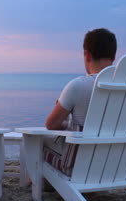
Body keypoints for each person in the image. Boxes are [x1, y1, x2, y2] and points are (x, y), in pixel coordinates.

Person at [43, 28, 117, 176]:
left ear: (87, 54)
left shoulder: (78, 85)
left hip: (78, 167)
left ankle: (34, 185)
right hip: (114, 166)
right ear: (113, 56)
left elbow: (51, 125)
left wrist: (66, 119)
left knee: (35, 140)